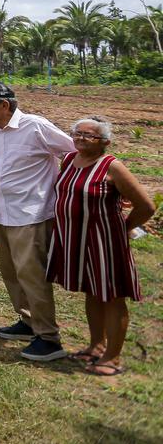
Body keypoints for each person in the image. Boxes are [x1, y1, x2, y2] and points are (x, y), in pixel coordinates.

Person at [0, 81, 74, 362]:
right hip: (1, 212)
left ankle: (49, 338)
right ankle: (28, 322)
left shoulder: (35, 126)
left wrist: (67, 189)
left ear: (4, 105)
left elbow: (73, 150)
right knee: (11, 272)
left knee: (32, 275)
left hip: (30, 214)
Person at [47, 117, 156, 376]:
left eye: (90, 135)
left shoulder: (112, 167)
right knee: (92, 292)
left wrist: (125, 227)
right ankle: (96, 346)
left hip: (106, 242)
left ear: (105, 142)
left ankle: (113, 357)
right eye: (77, 133)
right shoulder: (70, 160)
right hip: (77, 239)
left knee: (112, 297)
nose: (81, 138)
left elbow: (146, 206)